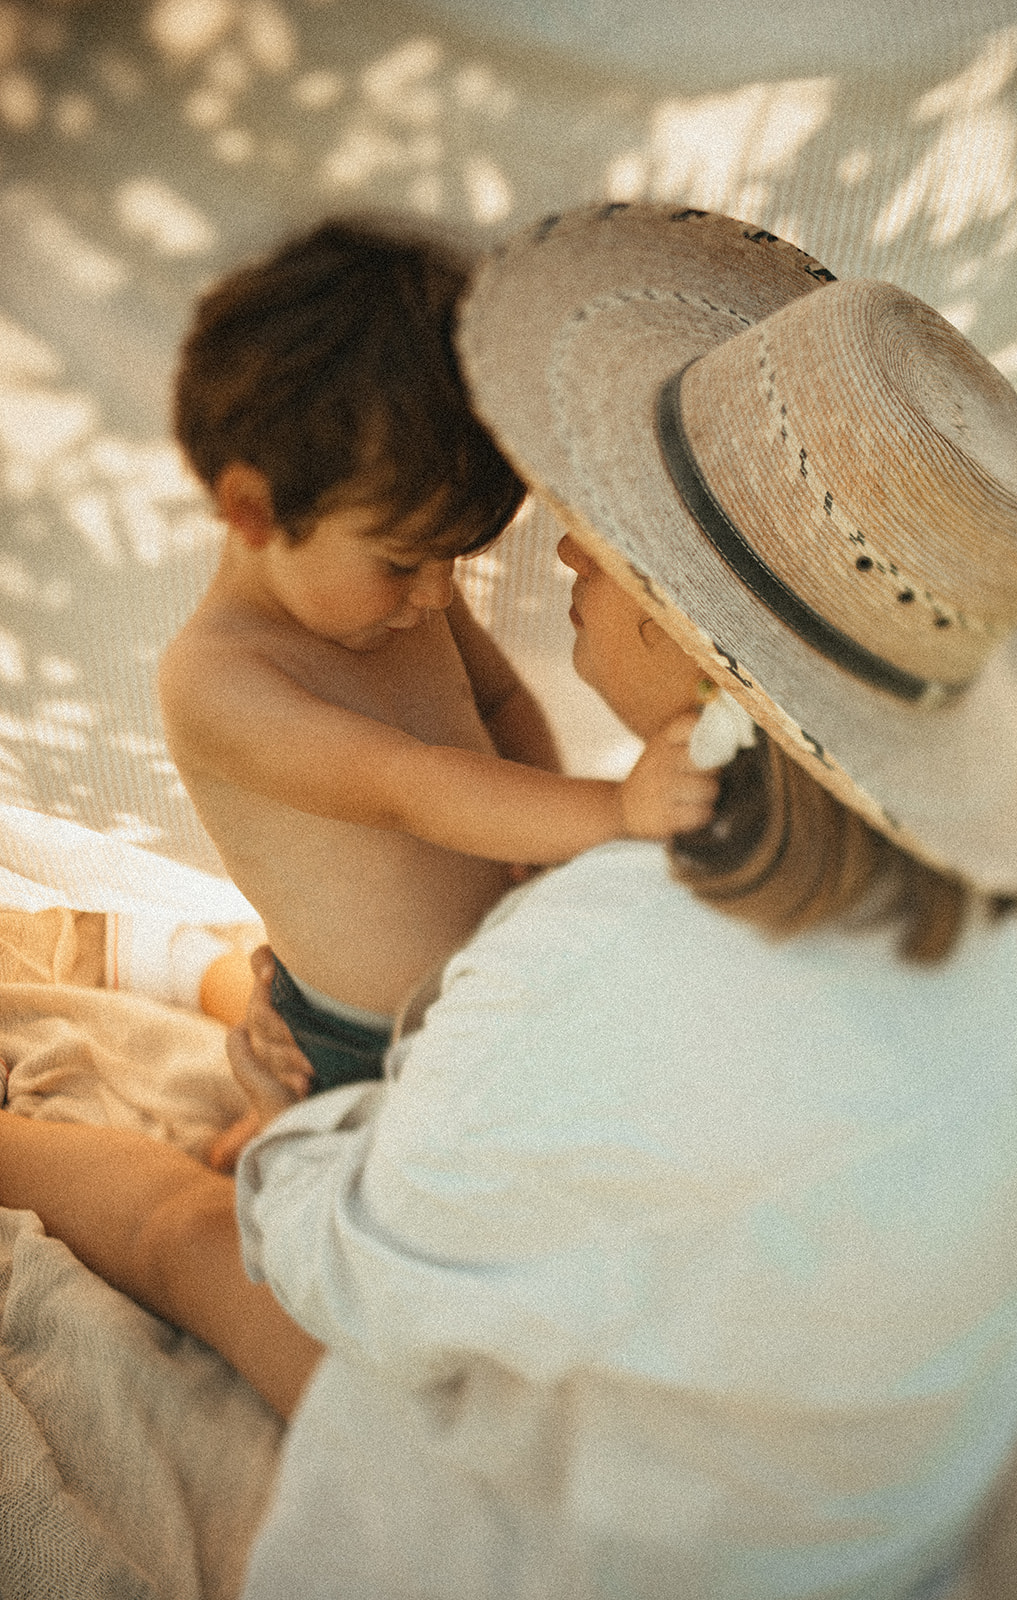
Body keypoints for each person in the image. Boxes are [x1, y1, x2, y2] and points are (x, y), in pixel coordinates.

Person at [0, 202, 1017, 1599]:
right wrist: (581, 849)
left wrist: (295, 1140)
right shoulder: (973, 952)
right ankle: (198, 978)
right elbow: (413, 793)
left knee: (189, 1219)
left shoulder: (602, 947)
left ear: (697, 646)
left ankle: (169, 1013)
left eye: (623, 543)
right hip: (402, 1024)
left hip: (549, 1360)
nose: (562, 549)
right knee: (282, 1014)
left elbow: (347, 1254)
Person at [160, 218, 716, 1163]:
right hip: (362, 1042)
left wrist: (542, 852)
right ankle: (244, 1108)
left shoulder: (401, 603)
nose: (435, 596)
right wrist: (613, 810)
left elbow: (496, 706)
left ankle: (197, 993)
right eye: (403, 563)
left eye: (452, 560)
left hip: (491, 980)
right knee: (341, 1194)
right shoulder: (223, 681)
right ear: (253, 511)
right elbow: (411, 788)